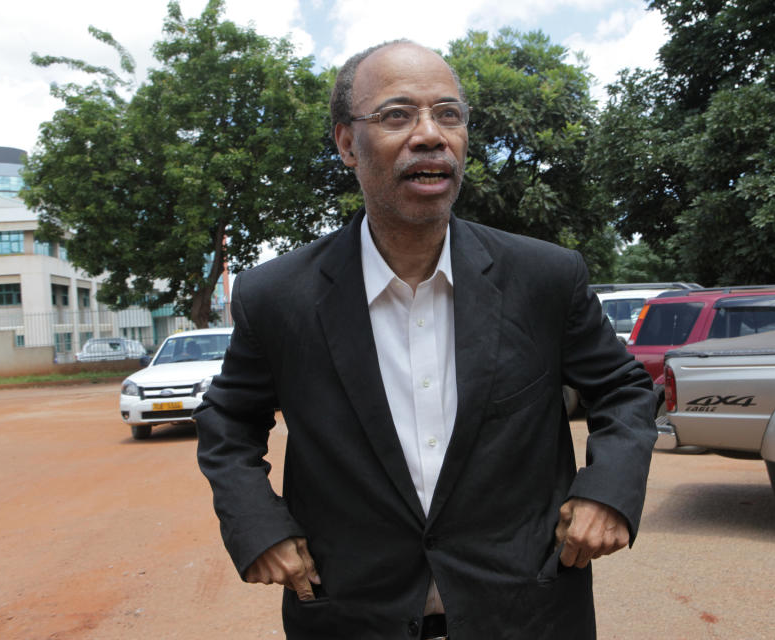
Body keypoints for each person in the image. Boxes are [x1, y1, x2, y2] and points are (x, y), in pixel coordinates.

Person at [196, 39, 657, 640]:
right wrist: (259, 527)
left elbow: (623, 390)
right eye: (396, 115)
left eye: (448, 114)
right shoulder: (277, 295)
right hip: (351, 612)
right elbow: (228, 421)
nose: (430, 134)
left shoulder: (543, 277)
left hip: (528, 613)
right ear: (345, 144)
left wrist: (608, 493)